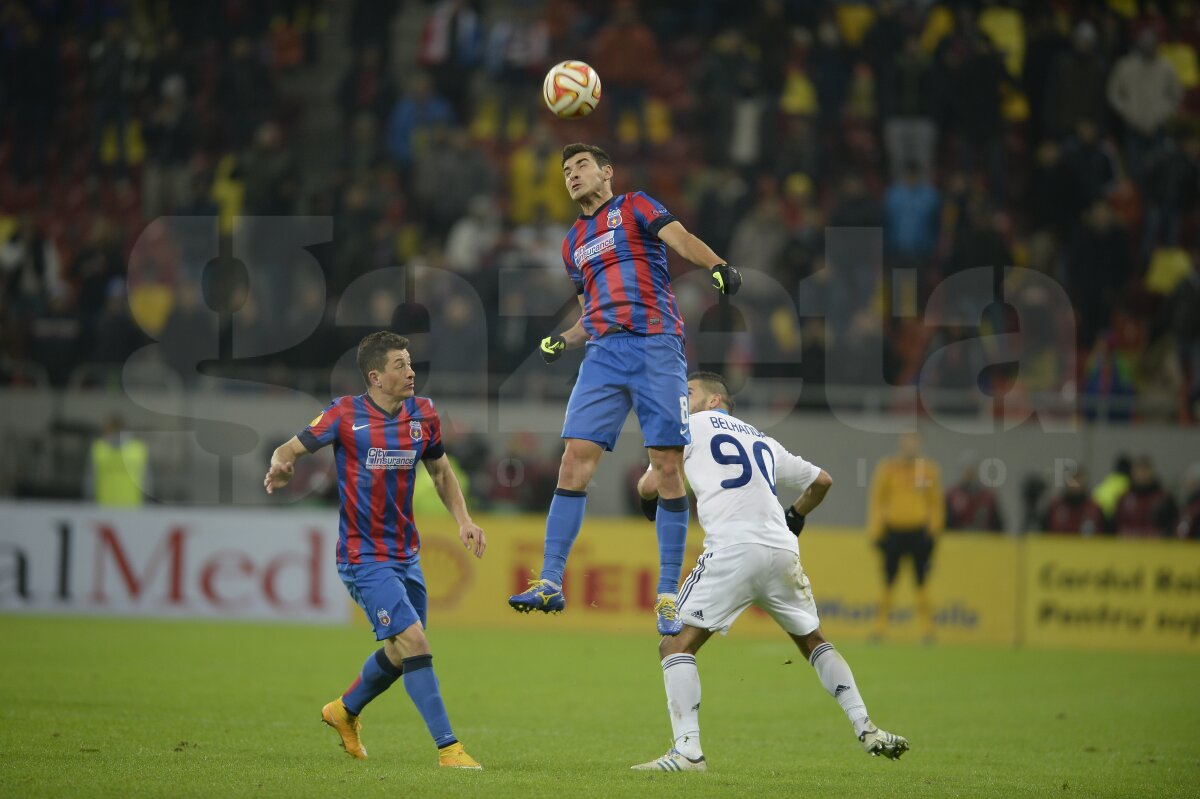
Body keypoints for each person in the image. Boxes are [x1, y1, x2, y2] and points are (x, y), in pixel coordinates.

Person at [507, 143, 742, 635]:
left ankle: (666, 596)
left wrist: (717, 264)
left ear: (606, 172)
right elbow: (589, 310)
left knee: (666, 466)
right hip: (603, 356)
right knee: (574, 459)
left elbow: (680, 238)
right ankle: (550, 580)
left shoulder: (634, 205)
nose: (572, 175)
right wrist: (564, 339)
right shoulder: (572, 241)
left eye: (582, 166)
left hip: (656, 345)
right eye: (566, 169)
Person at [630, 372, 908, 771]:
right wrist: (795, 515)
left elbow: (650, 483)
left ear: (713, 402)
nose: (680, 396)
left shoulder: (688, 425)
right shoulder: (763, 440)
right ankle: (866, 726)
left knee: (675, 644)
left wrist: (646, 497)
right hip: (781, 551)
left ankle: (688, 751)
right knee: (813, 641)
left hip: (732, 550)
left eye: (688, 391)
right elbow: (822, 481)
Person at [264, 331, 487, 769]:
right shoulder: (344, 414)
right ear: (376, 376)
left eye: (410, 363)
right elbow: (286, 449)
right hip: (363, 556)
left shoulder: (424, 414)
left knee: (404, 653)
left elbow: (441, 472)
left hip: (407, 554)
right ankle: (449, 749)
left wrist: (464, 520)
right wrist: (282, 466)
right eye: (400, 365)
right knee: (415, 642)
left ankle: (343, 711)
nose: (410, 372)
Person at [867, 431, 944, 642]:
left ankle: (927, 631)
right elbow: (877, 499)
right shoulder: (888, 468)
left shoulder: (928, 471)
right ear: (902, 443)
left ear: (919, 444)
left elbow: (935, 502)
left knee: (922, 581)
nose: (910, 446)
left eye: (914, 442)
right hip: (893, 531)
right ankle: (879, 629)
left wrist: (934, 529)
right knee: (888, 581)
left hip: (919, 532)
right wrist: (876, 530)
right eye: (907, 441)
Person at [85, 414, 150, 507]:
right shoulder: (139, 449)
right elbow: (147, 484)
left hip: (105, 508)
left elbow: (89, 483)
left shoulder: (98, 449)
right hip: (130, 508)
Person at [1041, 467, 1107, 535]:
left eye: (1078, 480)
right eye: (1072, 479)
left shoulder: (1094, 509)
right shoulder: (1055, 508)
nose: (1075, 484)